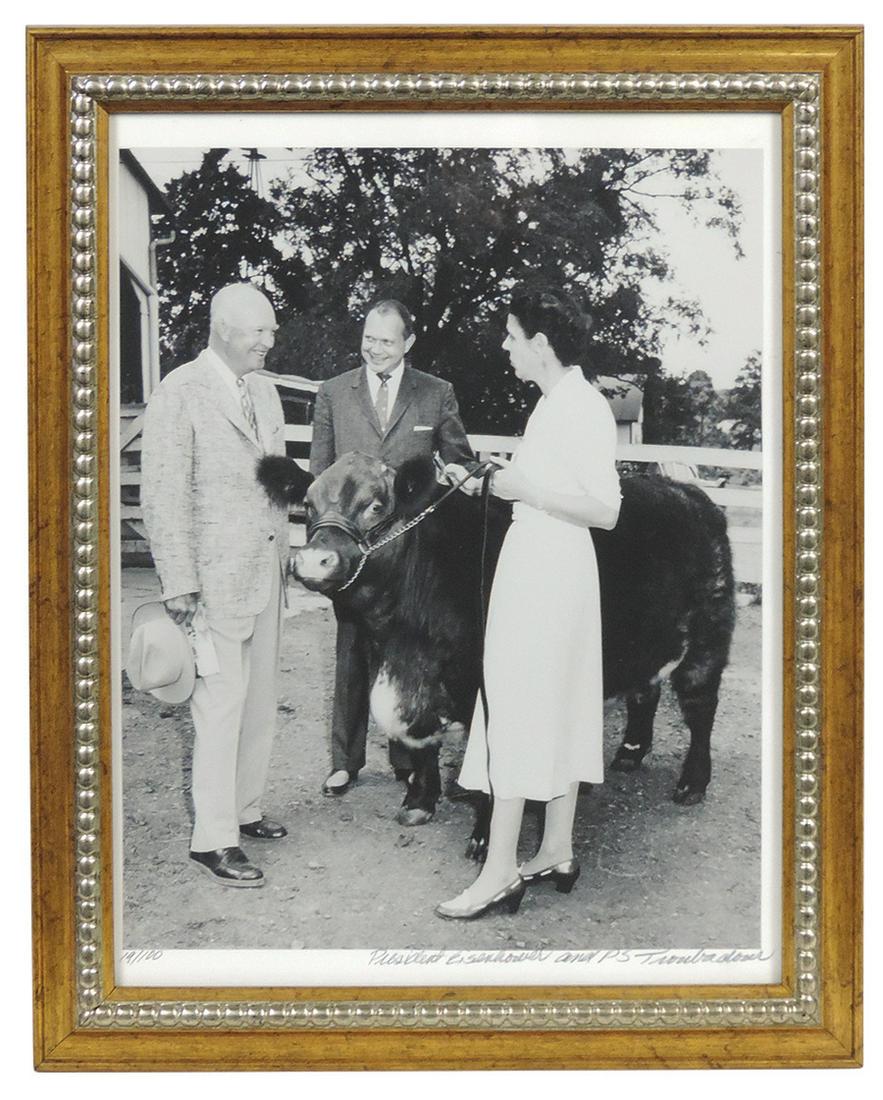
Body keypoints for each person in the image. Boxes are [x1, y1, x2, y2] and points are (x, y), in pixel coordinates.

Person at [436, 286, 621, 920]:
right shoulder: (555, 404)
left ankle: (498, 874)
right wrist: (491, 480)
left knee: (516, 707)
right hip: (544, 566)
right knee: (556, 702)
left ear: (541, 345)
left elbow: (606, 508)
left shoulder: (583, 405)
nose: (505, 346)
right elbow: (546, 486)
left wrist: (526, 489)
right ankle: (556, 850)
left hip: (551, 571)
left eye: (512, 336)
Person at [140, 282, 290, 889]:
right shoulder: (181, 391)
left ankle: (245, 808)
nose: (268, 342)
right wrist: (179, 583)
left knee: (258, 704)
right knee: (219, 708)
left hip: (266, 573)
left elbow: (274, 480)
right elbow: (163, 491)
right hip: (211, 581)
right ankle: (213, 839)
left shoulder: (266, 391)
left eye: (272, 331)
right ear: (224, 328)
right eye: (259, 331)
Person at [310, 299, 475, 797]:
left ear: (408, 343)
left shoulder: (436, 392)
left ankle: (409, 760)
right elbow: (320, 477)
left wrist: (457, 478)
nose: (374, 348)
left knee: (409, 653)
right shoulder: (333, 392)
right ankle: (346, 760)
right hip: (353, 554)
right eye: (368, 338)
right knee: (352, 649)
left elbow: (458, 459)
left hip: (412, 559)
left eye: (385, 341)